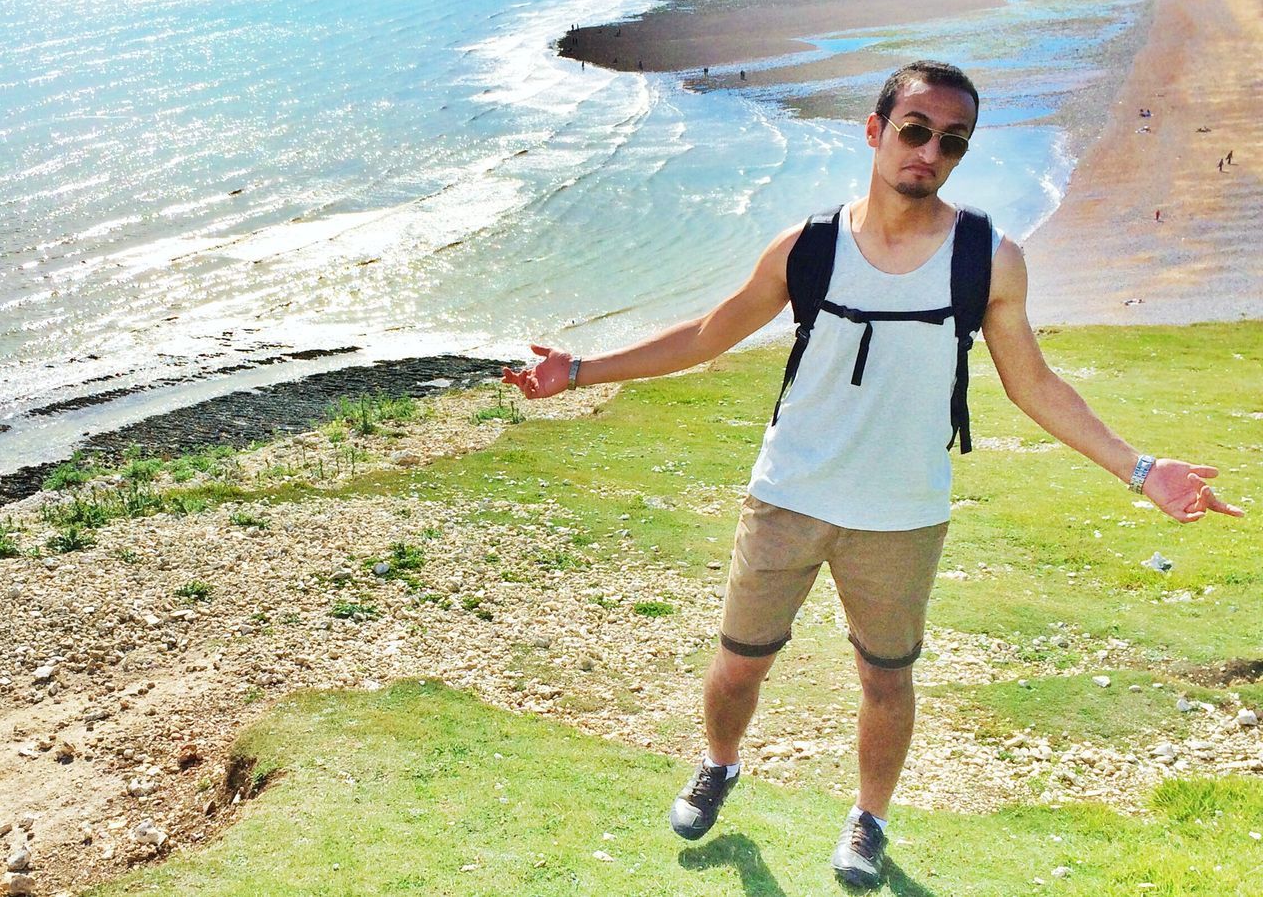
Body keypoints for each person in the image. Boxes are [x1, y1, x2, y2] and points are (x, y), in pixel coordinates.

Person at [502, 60, 1242, 889]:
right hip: (788, 494)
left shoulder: (987, 258)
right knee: (740, 662)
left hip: (901, 514)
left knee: (885, 680)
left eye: (951, 142)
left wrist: (1141, 470)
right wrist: (580, 372)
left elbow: (1033, 384)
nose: (930, 152)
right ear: (875, 130)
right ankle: (718, 763)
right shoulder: (809, 247)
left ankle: (869, 820)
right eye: (915, 130)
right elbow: (708, 334)